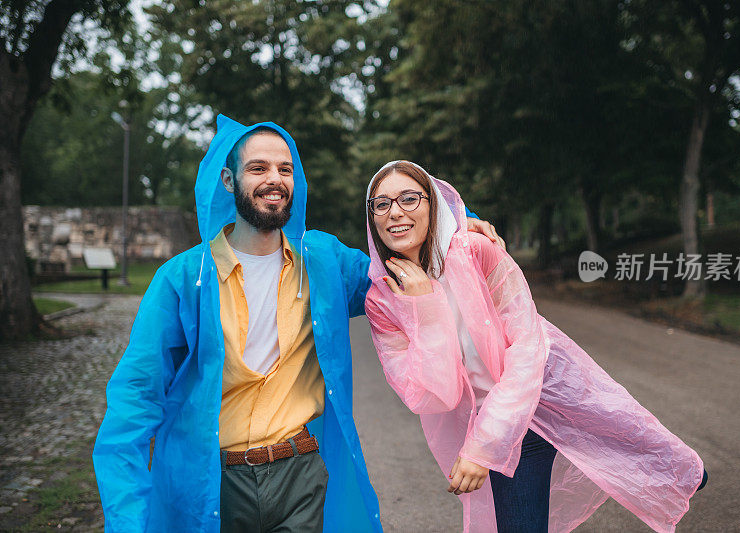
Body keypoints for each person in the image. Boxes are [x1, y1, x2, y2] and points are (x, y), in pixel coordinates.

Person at [92, 117, 500, 532]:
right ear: (228, 180)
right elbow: (135, 401)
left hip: (301, 478)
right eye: (259, 168)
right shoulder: (183, 279)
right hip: (211, 486)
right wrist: (127, 521)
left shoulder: (324, 261)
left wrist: (457, 223)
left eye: (285, 169)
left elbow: (398, 258)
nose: (275, 179)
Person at [363, 160, 707, 533]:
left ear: (433, 204)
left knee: (648, 453)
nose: (395, 212)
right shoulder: (382, 301)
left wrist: (484, 447)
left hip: (546, 394)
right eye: (381, 204)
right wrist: (424, 307)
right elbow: (432, 396)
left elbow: (527, 349)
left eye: (409, 198)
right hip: (497, 425)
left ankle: (682, 471)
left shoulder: (478, 251)